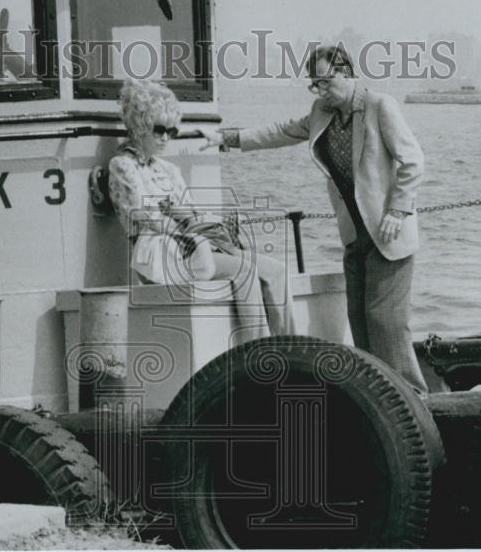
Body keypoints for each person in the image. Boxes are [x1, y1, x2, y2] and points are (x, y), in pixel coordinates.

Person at [200, 45, 428, 392]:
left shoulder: (379, 105)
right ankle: (382, 399)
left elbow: (413, 161)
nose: (320, 90)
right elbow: (280, 131)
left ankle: (415, 398)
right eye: (315, 84)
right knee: (361, 323)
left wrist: (398, 209)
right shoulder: (321, 112)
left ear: (345, 71)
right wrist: (225, 138)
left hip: (387, 231)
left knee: (386, 321)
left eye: (325, 81)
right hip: (354, 234)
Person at [108, 79, 295, 342]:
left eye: (171, 132)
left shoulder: (168, 169)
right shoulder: (123, 166)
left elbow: (189, 212)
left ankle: (289, 347)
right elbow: (143, 218)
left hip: (193, 246)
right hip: (163, 253)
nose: (165, 138)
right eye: (159, 130)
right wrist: (186, 220)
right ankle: (259, 354)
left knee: (276, 270)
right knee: (245, 271)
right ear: (140, 127)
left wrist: (202, 224)